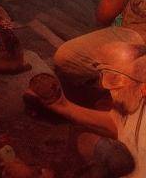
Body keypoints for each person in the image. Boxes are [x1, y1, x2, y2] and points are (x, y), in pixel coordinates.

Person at [29, 42, 146, 177]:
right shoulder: (137, 96)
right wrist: (62, 106)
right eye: (104, 73)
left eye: (114, 78)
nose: (105, 86)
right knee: (85, 141)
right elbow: (118, 124)